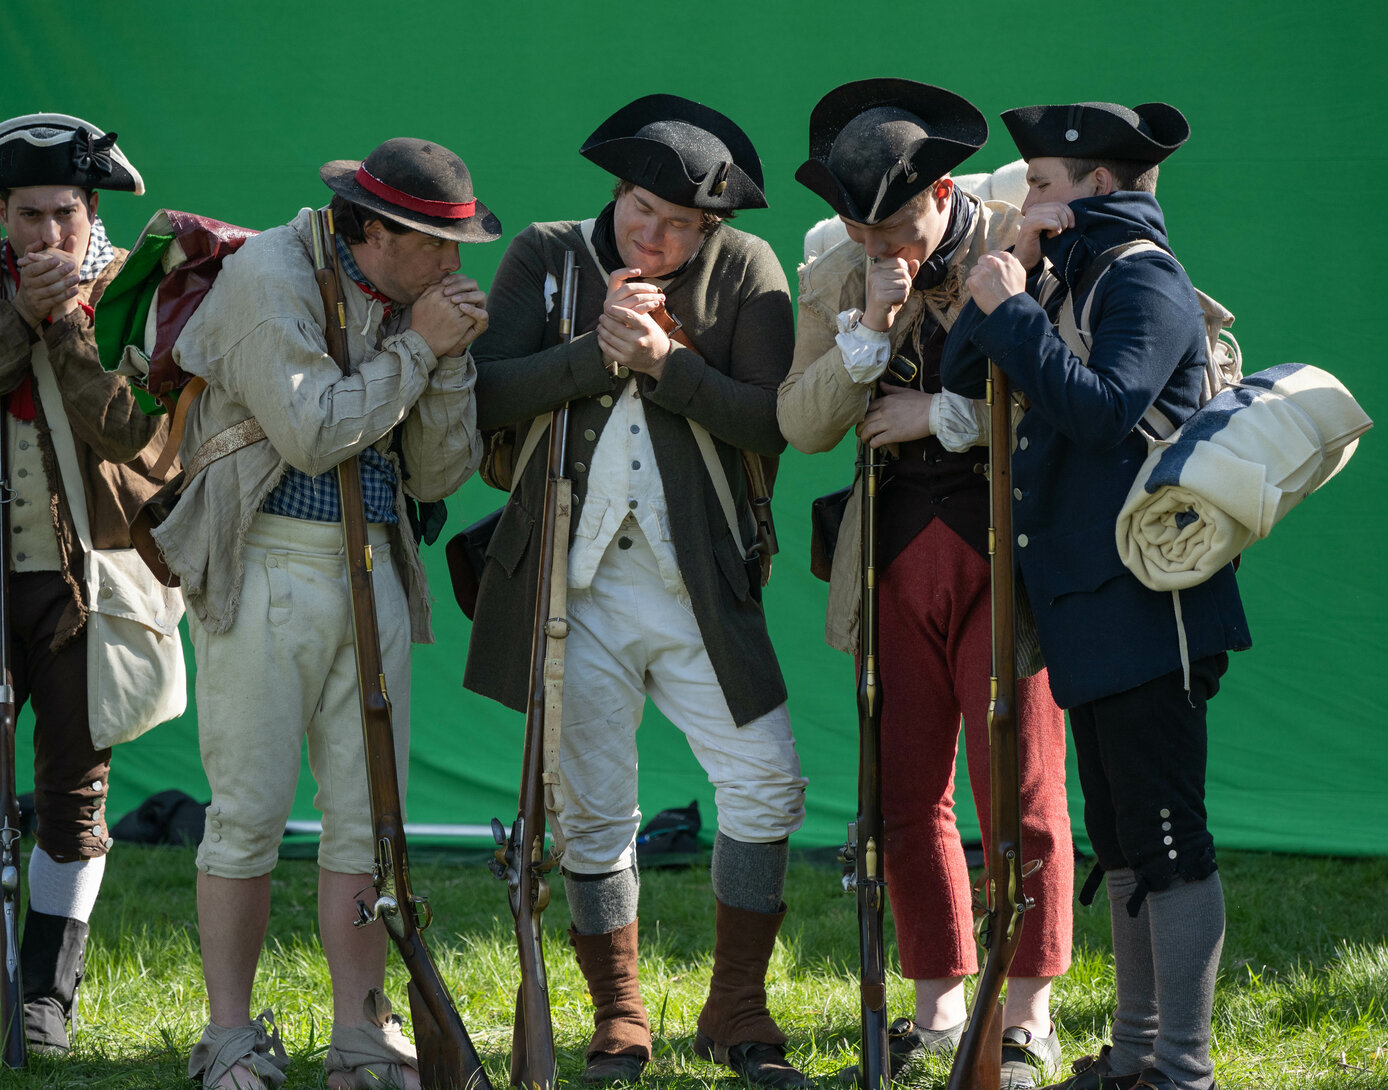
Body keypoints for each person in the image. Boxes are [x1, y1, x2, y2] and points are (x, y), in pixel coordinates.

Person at [463, 94, 808, 1088]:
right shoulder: (545, 254)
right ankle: (620, 1014)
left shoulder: (746, 271)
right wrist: (592, 353)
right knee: (593, 810)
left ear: (714, 228)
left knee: (767, 780)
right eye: (640, 211)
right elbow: (482, 389)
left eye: (679, 225)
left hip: (700, 586)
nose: (651, 236)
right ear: (615, 190)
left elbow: (773, 422)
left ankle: (736, 1005)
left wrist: (666, 366)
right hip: (573, 592)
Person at [150, 137, 496, 1090]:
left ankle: (360, 1033)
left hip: (376, 559)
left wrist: (449, 358)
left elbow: (434, 473)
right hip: (262, 560)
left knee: (366, 822)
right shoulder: (271, 272)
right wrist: (424, 346)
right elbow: (310, 436)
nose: (453, 267)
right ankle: (227, 1037)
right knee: (248, 814)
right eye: (436, 244)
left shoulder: (408, 299)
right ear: (376, 232)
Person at [942, 102, 1251, 1090]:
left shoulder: (1146, 277)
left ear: (1101, 188)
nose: (1021, 195)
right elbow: (961, 373)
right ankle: (1137, 1054)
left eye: (1039, 182)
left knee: (1167, 834)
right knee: (1120, 835)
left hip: (1149, 603)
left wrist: (1016, 307)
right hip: (1087, 599)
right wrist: (1006, 279)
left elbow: (1105, 408)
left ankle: (1182, 1069)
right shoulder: (1064, 268)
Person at [780, 79, 1074, 1089]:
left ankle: (1028, 1015)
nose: (883, 242)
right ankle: (940, 1010)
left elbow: (1083, 393)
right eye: (863, 225)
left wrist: (944, 416)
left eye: (898, 224)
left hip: (1014, 552)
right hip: (893, 551)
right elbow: (804, 424)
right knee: (903, 793)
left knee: (1023, 790)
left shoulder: (1025, 239)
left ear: (945, 190)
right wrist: (868, 324)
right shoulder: (835, 271)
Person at [0, 113, 156, 1054]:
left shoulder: (133, 288)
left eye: (66, 215)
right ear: (1, 215)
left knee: (73, 785)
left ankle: (46, 995)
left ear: (92, 213)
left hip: (87, 575)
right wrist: (16, 317)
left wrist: (64, 331)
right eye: (30, 217)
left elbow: (133, 431)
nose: (49, 236)